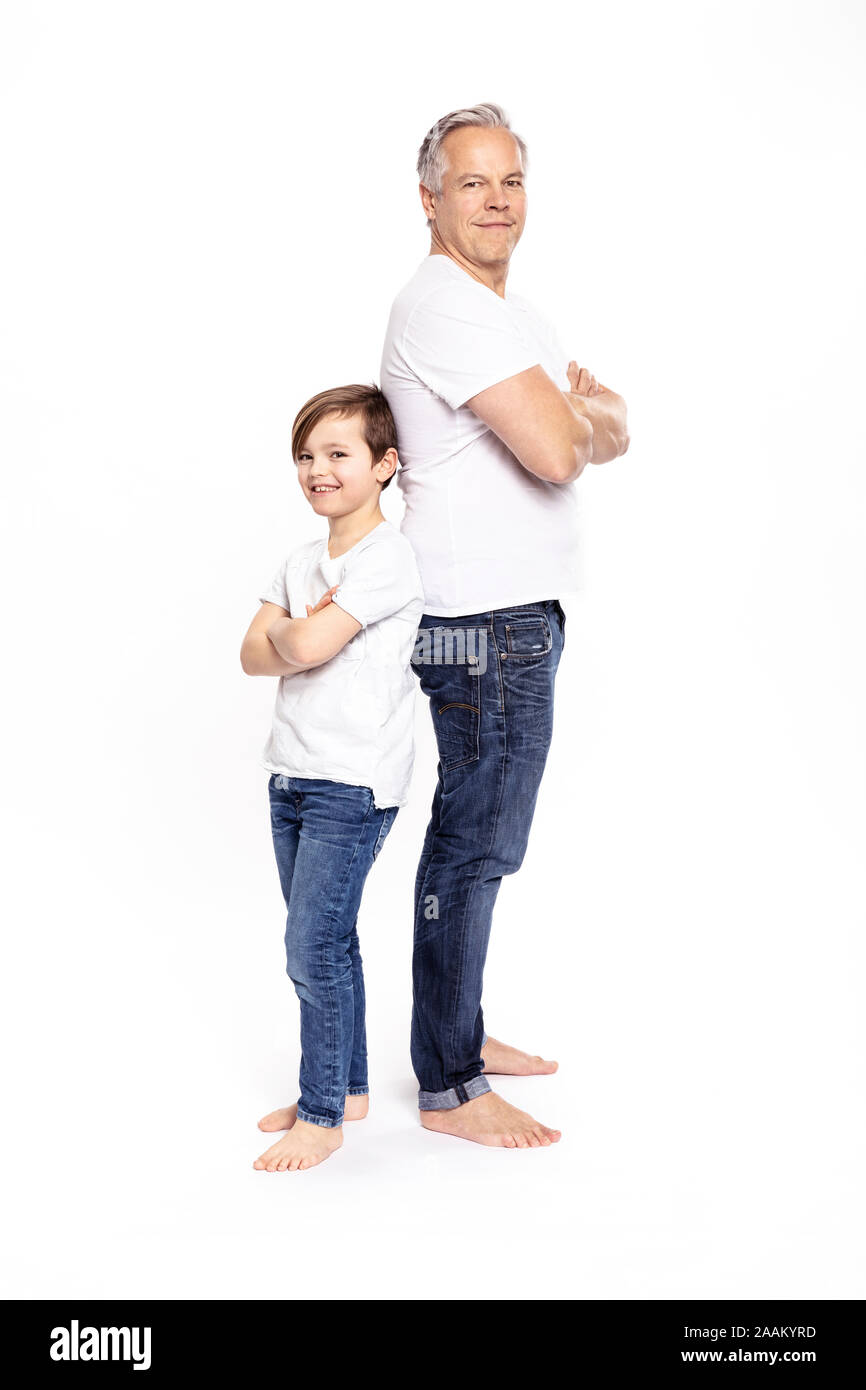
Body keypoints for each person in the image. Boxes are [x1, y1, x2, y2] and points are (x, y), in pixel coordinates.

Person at [380, 103, 631, 1148]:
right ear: (429, 198)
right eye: (472, 183)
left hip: (516, 615)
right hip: (478, 620)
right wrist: (582, 418)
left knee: (481, 842)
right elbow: (567, 446)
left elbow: (605, 425)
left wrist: (587, 418)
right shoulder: (445, 308)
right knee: (473, 845)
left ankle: (460, 1037)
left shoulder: (512, 314)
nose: (494, 201)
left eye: (509, 181)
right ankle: (447, 1083)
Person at [240, 384, 424, 1172]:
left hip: (352, 780)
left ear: (384, 466)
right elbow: (254, 654)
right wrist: (298, 626)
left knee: (309, 947)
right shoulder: (299, 559)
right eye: (307, 456)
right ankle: (344, 1087)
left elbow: (306, 648)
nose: (318, 469)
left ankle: (321, 1116)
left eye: (339, 454)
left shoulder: (389, 557)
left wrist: (295, 632)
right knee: (330, 942)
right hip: (291, 772)